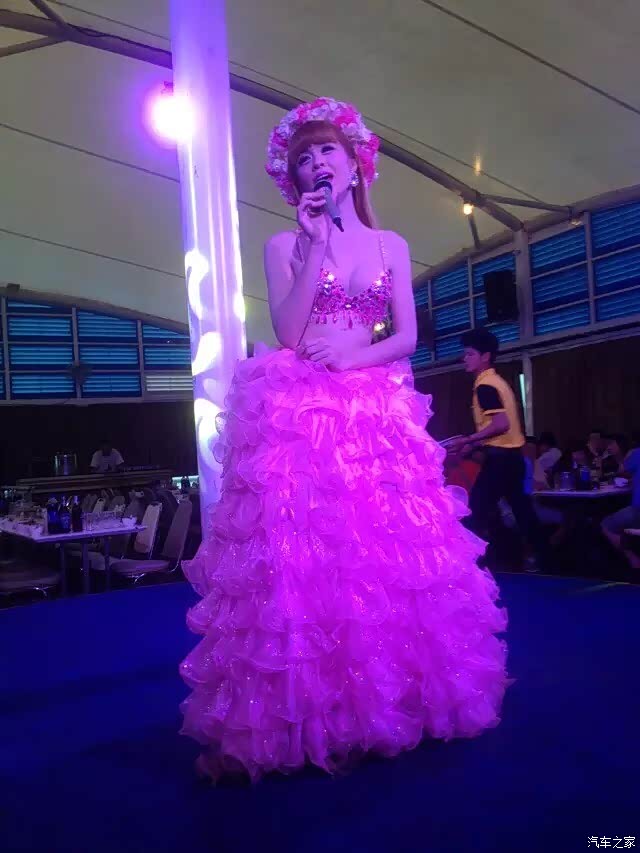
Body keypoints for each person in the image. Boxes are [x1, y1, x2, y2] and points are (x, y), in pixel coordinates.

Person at [179, 98, 508, 782]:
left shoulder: (392, 246)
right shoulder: (283, 245)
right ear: (294, 179)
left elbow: (407, 335)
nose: (315, 163)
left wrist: (357, 354)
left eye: (326, 150)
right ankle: (308, 716)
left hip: (373, 407)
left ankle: (389, 701)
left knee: (383, 552)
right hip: (302, 411)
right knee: (307, 557)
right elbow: (290, 332)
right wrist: (315, 245)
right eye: (302, 158)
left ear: (355, 164)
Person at [448, 329, 549, 570]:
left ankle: (467, 565)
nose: (465, 359)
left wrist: (468, 439)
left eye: (470, 354)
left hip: (500, 460)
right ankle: (546, 560)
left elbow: (501, 424)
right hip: (513, 458)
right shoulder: (498, 381)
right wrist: (471, 443)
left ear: (485, 356)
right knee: (522, 512)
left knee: (475, 511)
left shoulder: (485, 386)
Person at [601, 431, 640, 569]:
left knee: (605, 524)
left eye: (611, 444)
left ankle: (633, 558)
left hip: (637, 511)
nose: (609, 447)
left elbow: (622, 472)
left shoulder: (636, 454)